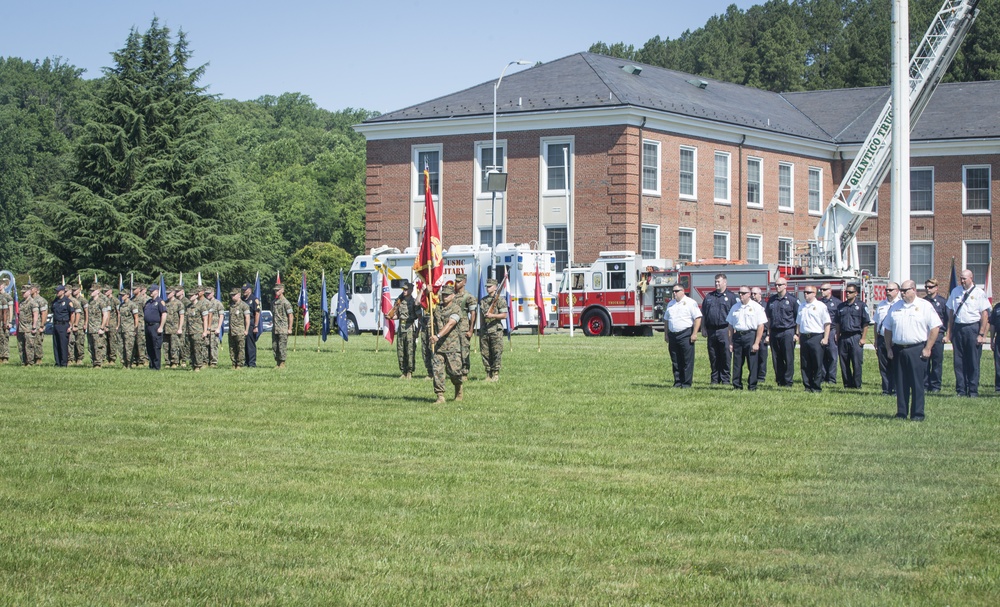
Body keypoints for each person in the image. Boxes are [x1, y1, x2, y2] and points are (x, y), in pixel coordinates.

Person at [885, 280, 942, 421]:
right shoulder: (895, 307)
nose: (902, 293)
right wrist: (889, 348)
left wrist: (928, 348)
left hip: (917, 349)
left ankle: (917, 414)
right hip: (899, 349)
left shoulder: (924, 306)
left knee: (917, 384)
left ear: (914, 290)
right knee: (901, 383)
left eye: (905, 291)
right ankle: (901, 413)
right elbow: (887, 329)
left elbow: (935, 327)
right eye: (901, 291)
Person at [946, 269, 991, 397]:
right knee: (958, 361)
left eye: (964, 278)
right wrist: (949, 332)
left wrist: (981, 334)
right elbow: (951, 312)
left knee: (973, 360)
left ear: (971, 278)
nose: (962, 281)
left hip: (973, 327)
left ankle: (972, 390)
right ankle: (960, 389)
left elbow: (984, 314)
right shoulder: (956, 291)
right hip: (958, 328)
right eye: (961, 278)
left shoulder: (979, 293)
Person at [726, 286, 767, 391]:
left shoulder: (756, 307)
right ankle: (737, 385)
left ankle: (752, 386)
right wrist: (730, 342)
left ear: (749, 294)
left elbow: (761, 326)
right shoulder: (735, 307)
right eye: (739, 293)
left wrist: (757, 342)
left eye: (743, 293)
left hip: (751, 335)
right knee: (737, 363)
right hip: (738, 335)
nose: (741, 295)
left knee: (752, 362)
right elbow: (730, 325)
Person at [429, 284, 465, 403]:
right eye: (443, 294)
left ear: (453, 296)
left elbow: (450, 324)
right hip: (438, 347)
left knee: (454, 372)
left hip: (452, 346)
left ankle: (458, 389)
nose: (445, 297)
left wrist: (438, 336)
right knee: (437, 371)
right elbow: (429, 318)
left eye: (447, 295)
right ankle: (440, 396)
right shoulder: (437, 308)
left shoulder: (456, 309)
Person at [664, 283, 702, 388]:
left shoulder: (690, 303)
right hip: (673, 335)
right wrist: (666, 334)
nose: (674, 293)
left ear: (683, 291)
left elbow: (698, 318)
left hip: (685, 334)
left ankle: (686, 383)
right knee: (675, 360)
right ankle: (677, 382)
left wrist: (694, 333)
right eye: (673, 291)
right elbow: (666, 319)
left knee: (687, 361)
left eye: (676, 291)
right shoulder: (670, 304)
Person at [701, 273, 737, 385]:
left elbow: (735, 316)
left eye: (719, 281)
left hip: (725, 330)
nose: (716, 283)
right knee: (713, 355)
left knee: (726, 355)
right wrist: (703, 328)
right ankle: (715, 379)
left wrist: (733, 332)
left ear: (725, 282)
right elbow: (703, 314)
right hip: (711, 330)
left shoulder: (731, 297)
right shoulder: (709, 297)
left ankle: (725, 379)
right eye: (715, 281)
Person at [795, 286, 831, 393]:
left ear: (814, 293)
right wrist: (798, 335)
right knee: (805, 363)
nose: (806, 294)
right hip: (805, 337)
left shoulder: (820, 306)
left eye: (809, 292)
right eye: (805, 292)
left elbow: (827, 323)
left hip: (816, 336)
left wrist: (825, 338)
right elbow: (798, 322)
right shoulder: (801, 306)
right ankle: (807, 385)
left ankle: (816, 386)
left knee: (817, 362)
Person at [834, 283, 870, 388]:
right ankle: (847, 384)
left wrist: (863, 338)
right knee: (844, 362)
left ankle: (857, 384)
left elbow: (866, 323)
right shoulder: (841, 306)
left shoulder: (861, 306)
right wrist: (837, 335)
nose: (848, 294)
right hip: (844, 336)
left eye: (850, 292)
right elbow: (837, 323)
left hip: (856, 336)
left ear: (856, 293)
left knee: (856, 362)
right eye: (847, 292)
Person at [765, 277, 799, 386]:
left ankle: (788, 381)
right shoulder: (771, 300)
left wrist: (796, 333)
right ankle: (780, 380)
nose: (777, 287)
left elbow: (798, 318)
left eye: (779, 285)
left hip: (788, 331)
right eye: (776, 285)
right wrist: (769, 334)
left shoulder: (793, 300)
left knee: (788, 357)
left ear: (785, 285)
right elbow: (769, 318)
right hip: (775, 332)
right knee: (776, 357)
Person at [478, 278, 508, 382]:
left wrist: (493, 315)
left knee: (496, 352)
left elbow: (504, 315)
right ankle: (488, 373)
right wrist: (480, 328)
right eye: (487, 286)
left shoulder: (500, 300)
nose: (487, 288)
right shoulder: (483, 300)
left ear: (495, 287)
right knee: (485, 352)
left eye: (490, 286)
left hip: (495, 330)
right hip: (485, 330)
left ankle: (495, 373)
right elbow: (482, 316)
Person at [387, 281, 419, 379]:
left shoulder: (414, 302)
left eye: (406, 289)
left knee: (410, 350)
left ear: (411, 290)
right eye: (403, 289)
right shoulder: (400, 301)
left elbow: (418, 316)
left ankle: (409, 371)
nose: (404, 291)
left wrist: (417, 331)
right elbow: (398, 315)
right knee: (401, 350)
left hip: (409, 327)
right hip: (401, 327)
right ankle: (403, 371)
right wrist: (391, 317)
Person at [873, 283, 900, 395]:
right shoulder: (881, 304)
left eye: (890, 290)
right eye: (886, 290)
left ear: (897, 291)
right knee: (883, 366)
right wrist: (875, 339)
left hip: (895, 339)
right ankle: (886, 389)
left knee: (895, 365)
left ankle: (895, 389)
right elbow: (876, 323)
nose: (888, 292)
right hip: (881, 338)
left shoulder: (900, 304)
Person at [922, 279, 949, 393]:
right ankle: (924, 385)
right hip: (925, 335)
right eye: (927, 287)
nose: (928, 289)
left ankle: (936, 386)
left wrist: (947, 335)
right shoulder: (922, 302)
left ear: (936, 287)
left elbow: (948, 319)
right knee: (924, 361)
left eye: (931, 287)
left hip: (938, 336)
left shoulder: (942, 302)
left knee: (937, 362)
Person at [453, 273, 477, 380]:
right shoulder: (452, 295)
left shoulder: (469, 296)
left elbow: (473, 314)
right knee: (454, 350)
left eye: (459, 281)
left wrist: (471, 330)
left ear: (464, 282)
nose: (457, 283)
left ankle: (464, 372)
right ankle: (455, 370)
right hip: (452, 327)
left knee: (464, 350)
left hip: (463, 327)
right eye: (456, 281)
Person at [818, 283, 841, 384]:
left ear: (830, 290)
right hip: (821, 331)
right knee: (822, 355)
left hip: (832, 330)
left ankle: (831, 379)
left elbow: (839, 320)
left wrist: (838, 333)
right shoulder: (819, 303)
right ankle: (823, 377)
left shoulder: (837, 303)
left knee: (832, 356)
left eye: (824, 289)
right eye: (821, 290)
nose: (822, 291)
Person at [50, 285, 77, 367]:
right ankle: (57, 362)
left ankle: (64, 363)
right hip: (56, 324)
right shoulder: (55, 301)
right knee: (56, 344)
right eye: (56, 291)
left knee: (63, 345)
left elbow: (72, 314)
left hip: (64, 325)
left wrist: (71, 325)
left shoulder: (68, 301)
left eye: (58, 291)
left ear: (62, 291)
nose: (57, 292)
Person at [143, 284, 167, 370]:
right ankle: (151, 365)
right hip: (148, 326)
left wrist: (161, 326)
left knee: (156, 346)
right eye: (150, 291)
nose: (150, 292)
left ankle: (157, 366)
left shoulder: (160, 302)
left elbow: (164, 314)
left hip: (155, 326)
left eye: (152, 291)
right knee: (149, 346)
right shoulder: (148, 302)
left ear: (157, 291)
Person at [86, 283, 109, 368]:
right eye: (91, 290)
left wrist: (102, 327)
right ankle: (93, 362)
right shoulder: (90, 302)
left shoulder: (101, 302)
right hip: (90, 328)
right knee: (90, 347)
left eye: (93, 291)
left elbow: (105, 315)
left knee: (98, 346)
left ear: (98, 291)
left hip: (97, 328)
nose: (91, 292)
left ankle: (98, 363)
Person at [185, 287, 208, 371]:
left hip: (198, 330)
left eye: (191, 295)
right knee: (191, 349)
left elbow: (205, 319)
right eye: (189, 296)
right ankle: (193, 365)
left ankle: (198, 365)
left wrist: (205, 331)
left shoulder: (201, 306)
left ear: (196, 295)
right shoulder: (188, 306)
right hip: (189, 331)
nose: (190, 297)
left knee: (197, 349)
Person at [271, 283, 294, 368]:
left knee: (282, 346)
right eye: (275, 290)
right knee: (275, 346)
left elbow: (290, 316)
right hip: (275, 328)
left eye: (278, 290)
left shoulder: (286, 302)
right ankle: (277, 362)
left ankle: (282, 363)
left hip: (283, 328)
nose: (276, 292)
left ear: (282, 290)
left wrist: (290, 328)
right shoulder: (274, 302)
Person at [228, 287, 251, 369]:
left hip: (240, 330)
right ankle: (233, 363)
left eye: (234, 295)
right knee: (232, 348)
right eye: (231, 295)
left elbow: (247, 318)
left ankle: (239, 364)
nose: (232, 297)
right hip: (232, 331)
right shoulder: (231, 305)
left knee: (240, 348)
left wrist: (246, 330)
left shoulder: (244, 305)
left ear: (239, 295)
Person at [750, 287, 769, 385]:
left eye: (755, 294)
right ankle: (753, 374)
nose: (753, 296)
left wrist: (768, 335)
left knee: (762, 356)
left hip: (763, 333)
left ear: (760, 294)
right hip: (752, 333)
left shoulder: (766, 305)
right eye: (752, 294)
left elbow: (770, 320)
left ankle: (761, 376)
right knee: (753, 355)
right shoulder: (750, 305)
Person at [17, 283, 40, 366]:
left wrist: (34, 326)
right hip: (21, 327)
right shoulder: (21, 303)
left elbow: (35, 315)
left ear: (29, 292)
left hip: (29, 327)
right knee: (21, 346)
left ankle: (30, 362)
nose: (23, 294)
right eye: (22, 292)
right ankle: (23, 362)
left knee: (29, 346)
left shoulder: (33, 303)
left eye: (24, 292)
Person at [163, 286, 185, 368]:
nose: (167, 294)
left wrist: (180, 328)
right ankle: (167, 362)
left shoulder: (179, 303)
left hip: (175, 328)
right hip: (166, 328)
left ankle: (175, 362)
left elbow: (182, 316)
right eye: (166, 293)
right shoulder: (165, 303)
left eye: (169, 293)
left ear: (173, 293)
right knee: (166, 346)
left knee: (174, 346)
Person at [203, 287, 224, 368]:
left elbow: (221, 316)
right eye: (206, 293)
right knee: (205, 345)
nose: (207, 295)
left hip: (214, 328)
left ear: (213, 293)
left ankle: (213, 362)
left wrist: (218, 328)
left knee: (213, 346)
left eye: (209, 293)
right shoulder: (204, 303)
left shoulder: (217, 303)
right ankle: (205, 361)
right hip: (206, 328)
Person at [118, 289, 139, 368]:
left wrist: (135, 328)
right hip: (122, 329)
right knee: (121, 347)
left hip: (129, 329)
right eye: (121, 295)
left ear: (128, 295)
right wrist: (118, 326)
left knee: (129, 347)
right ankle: (124, 363)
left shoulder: (132, 305)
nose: (122, 297)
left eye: (123, 295)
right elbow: (119, 317)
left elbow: (136, 317)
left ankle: (129, 363)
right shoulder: (121, 305)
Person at [242, 283, 261, 368]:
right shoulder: (242, 299)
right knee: (244, 344)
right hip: (243, 324)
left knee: (250, 345)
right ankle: (246, 362)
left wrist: (256, 326)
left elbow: (257, 313)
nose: (244, 291)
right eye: (243, 290)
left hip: (251, 324)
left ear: (250, 290)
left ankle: (252, 363)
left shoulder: (254, 300)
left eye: (245, 290)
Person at [68, 284, 87, 365]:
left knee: (79, 342)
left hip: (80, 323)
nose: (74, 291)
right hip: (72, 323)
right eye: (73, 290)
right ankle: (71, 358)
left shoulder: (83, 300)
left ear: (79, 290)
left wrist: (85, 323)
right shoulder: (70, 299)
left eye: (75, 290)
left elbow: (86, 312)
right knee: (71, 341)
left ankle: (79, 358)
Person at [31, 283, 47, 364]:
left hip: (38, 324)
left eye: (32, 288)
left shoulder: (41, 300)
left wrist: (42, 325)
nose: (30, 289)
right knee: (31, 343)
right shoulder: (30, 299)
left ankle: (38, 359)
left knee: (38, 342)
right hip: (30, 325)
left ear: (36, 290)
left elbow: (44, 313)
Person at [991, 297, 1000, 394]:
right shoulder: (997, 307)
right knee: (998, 363)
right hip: (999, 338)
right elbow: (992, 324)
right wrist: (992, 340)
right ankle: (998, 387)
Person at [0, 277, 10, 364]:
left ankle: (5, 357)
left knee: (4, 339)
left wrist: (9, 322)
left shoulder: (7, 297)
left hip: (5, 320)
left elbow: (9, 310)